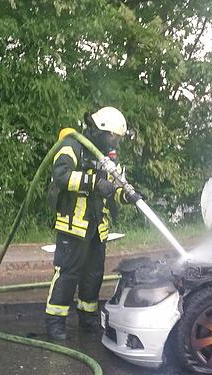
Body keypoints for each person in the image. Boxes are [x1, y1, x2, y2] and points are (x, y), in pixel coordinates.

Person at [44, 106, 140, 341]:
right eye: (113, 137)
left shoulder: (105, 156)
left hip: (97, 228)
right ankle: (55, 323)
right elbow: (61, 175)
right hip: (73, 225)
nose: (115, 143)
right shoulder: (72, 146)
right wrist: (93, 183)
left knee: (93, 276)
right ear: (101, 130)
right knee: (67, 274)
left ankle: (88, 321)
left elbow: (114, 187)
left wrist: (127, 195)